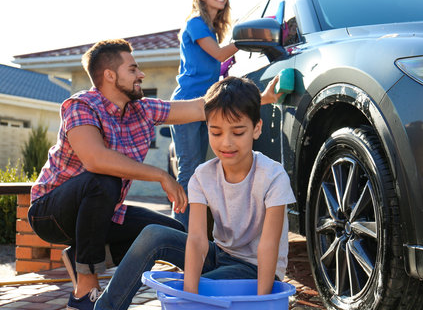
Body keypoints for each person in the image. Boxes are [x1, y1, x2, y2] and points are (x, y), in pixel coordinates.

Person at [27, 40, 280, 310]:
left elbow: (199, 108)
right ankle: (85, 287)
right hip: (51, 212)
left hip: (99, 211)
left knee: (171, 232)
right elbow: (95, 159)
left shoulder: (142, 110)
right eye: (133, 69)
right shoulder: (80, 106)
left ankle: (81, 255)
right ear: (110, 75)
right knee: (103, 179)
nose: (141, 75)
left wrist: (258, 99)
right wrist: (161, 175)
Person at [95, 76, 295, 310]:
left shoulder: (273, 176)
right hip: (219, 256)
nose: (226, 143)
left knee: (203, 289)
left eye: (238, 132)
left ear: (256, 129)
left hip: (256, 269)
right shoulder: (202, 175)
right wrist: (189, 295)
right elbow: (198, 239)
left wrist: (263, 302)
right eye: (216, 132)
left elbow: (268, 246)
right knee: (153, 235)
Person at [170, 0, 239, 230]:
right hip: (187, 104)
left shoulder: (210, 29)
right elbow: (220, 53)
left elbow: (215, 61)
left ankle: (195, 234)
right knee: (189, 171)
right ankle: (180, 236)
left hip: (205, 106)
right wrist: (248, 38)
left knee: (198, 172)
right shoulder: (196, 23)